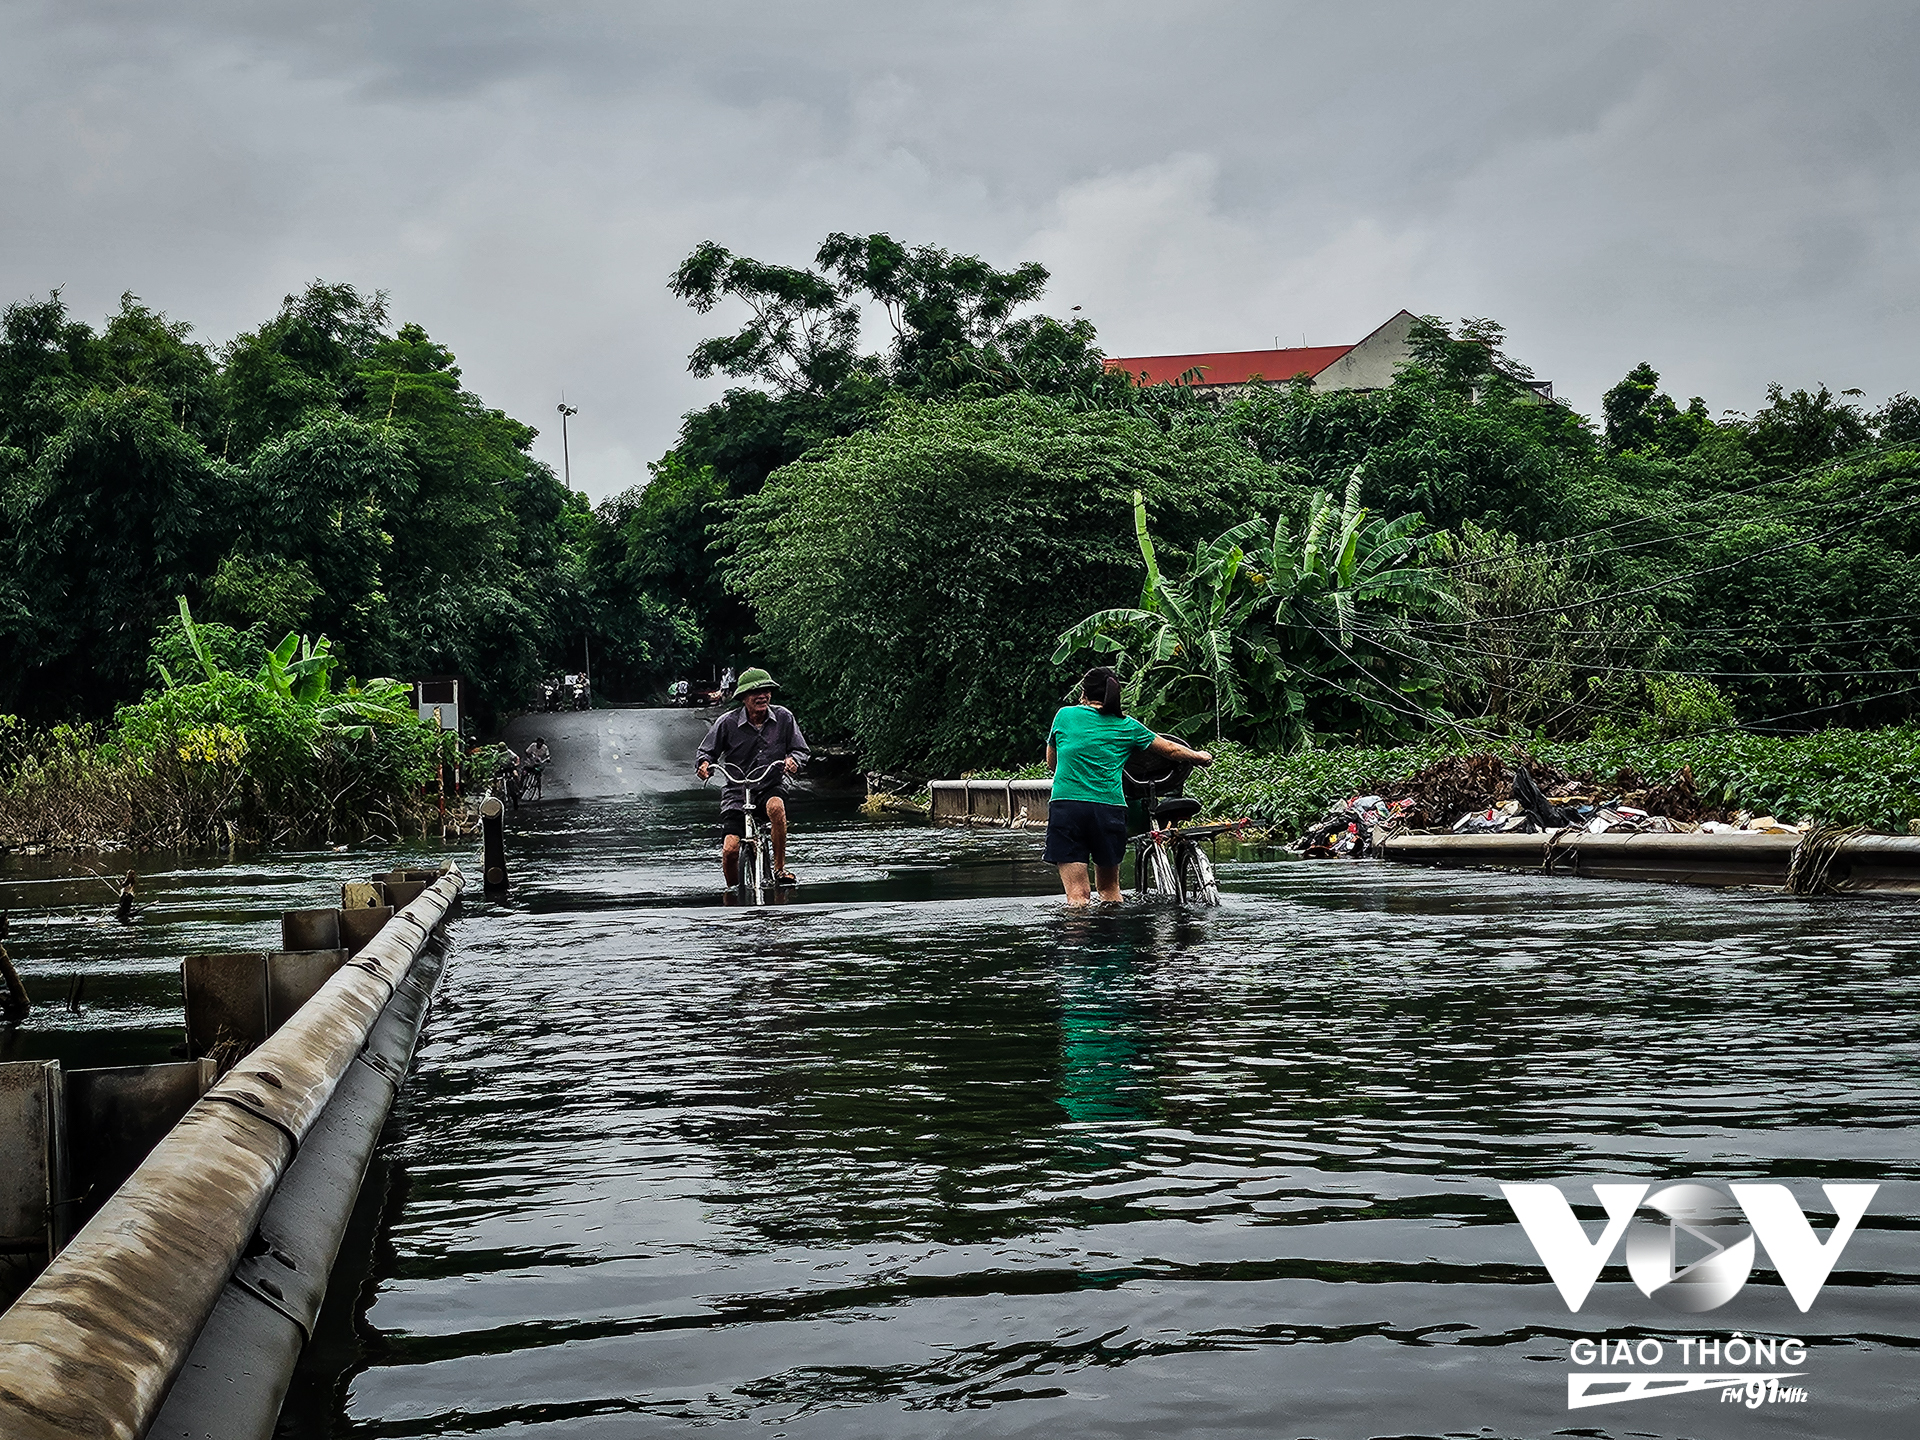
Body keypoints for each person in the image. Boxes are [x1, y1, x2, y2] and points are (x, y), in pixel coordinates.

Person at [1044, 666, 1213, 906]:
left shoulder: (1064, 716)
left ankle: (1076, 942)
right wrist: (1200, 756)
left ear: (1084, 694)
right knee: (1110, 891)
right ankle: (1113, 940)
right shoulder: (1128, 726)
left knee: (1077, 895)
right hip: (1108, 810)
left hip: (1068, 808)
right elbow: (1171, 749)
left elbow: (1052, 764)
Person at [695, 667, 809, 890]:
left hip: (770, 784)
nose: (762, 696)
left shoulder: (784, 717)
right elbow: (706, 752)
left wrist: (793, 760)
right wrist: (704, 765)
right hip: (737, 791)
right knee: (729, 850)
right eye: (755, 692)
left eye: (766, 691)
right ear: (743, 698)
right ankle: (733, 894)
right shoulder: (727, 722)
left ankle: (779, 869)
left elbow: (800, 749)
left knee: (776, 807)